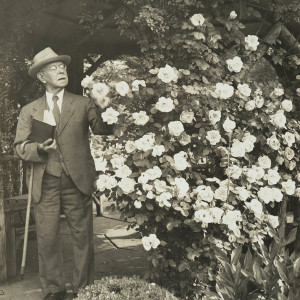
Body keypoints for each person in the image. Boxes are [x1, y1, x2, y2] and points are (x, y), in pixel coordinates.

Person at [14, 47, 112, 300]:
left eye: (63, 67)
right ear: (41, 77)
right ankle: (54, 290)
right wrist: (37, 148)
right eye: (53, 68)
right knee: (47, 238)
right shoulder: (29, 110)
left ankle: (84, 288)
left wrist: (105, 108)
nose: (61, 71)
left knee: (82, 237)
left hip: (76, 179)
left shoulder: (83, 103)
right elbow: (19, 147)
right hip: (44, 180)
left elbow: (102, 129)